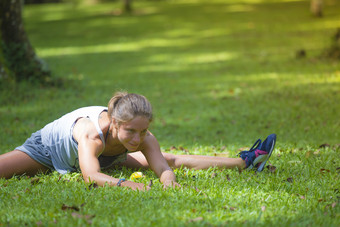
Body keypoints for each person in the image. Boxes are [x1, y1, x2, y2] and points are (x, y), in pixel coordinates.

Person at [0, 92, 276, 190]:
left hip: (108, 156)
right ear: (115, 123)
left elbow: (164, 168)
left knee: (170, 159)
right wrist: (126, 184)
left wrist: (168, 182)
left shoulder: (142, 136)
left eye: (143, 132)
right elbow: (90, 175)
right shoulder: (90, 134)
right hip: (48, 151)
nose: (138, 138)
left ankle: (246, 161)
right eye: (131, 131)